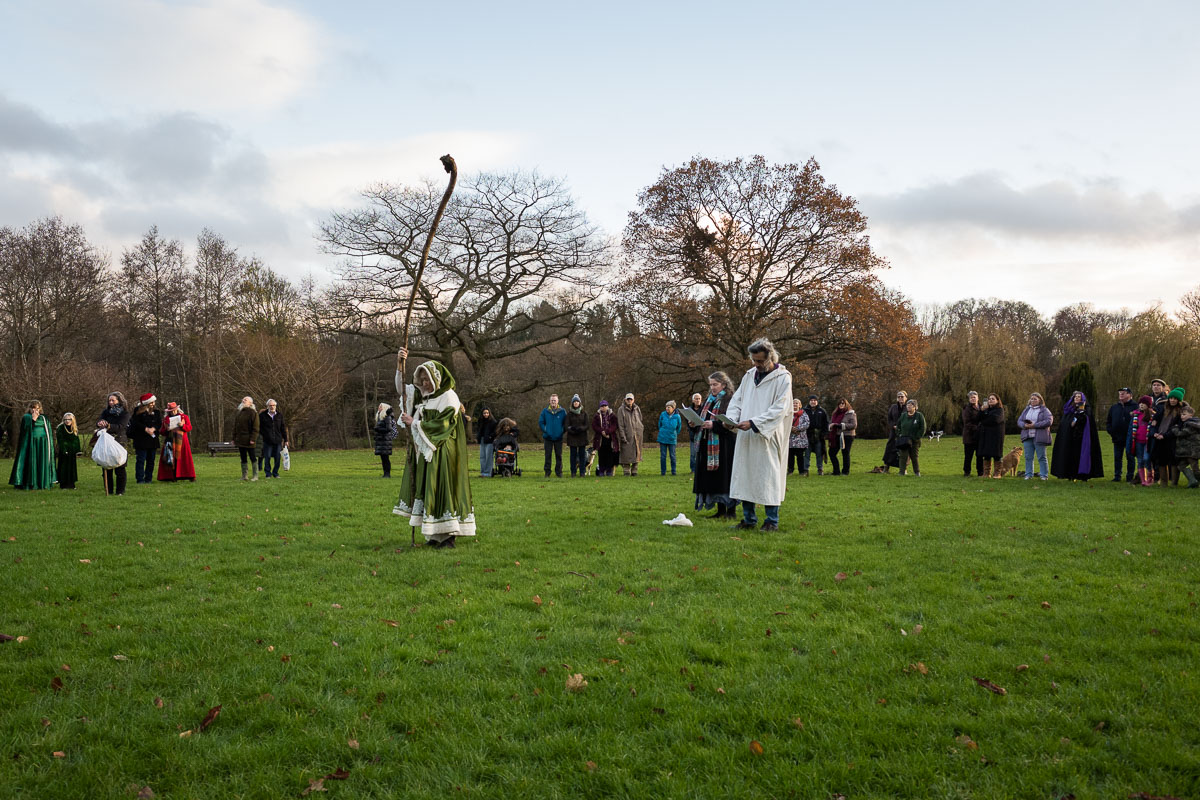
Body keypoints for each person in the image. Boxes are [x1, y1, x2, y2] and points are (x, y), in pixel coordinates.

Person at [392, 347, 475, 548]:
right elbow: (402, 390)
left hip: (443, 453)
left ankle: (447, 536)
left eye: (427, 379)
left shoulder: (448, 397)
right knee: (428, 489)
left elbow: (443, 425)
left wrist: (415, 423)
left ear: (437, 379)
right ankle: (433, 535)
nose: (424, 383)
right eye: (422, 379)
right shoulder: (424, 396)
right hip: (427, 452)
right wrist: (400, 364)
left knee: (442, 489)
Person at [726, 338, 792, 531]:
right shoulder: (749, 376)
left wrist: (755, 423)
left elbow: (781, 408)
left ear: (770, 357)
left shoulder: (783, 378)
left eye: (760, 361)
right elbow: (737, 400)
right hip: (745, 434)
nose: (757, 364)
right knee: (746, 475)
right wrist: (730, 419)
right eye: (754, 360)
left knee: (768, 476)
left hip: (767, 435)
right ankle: (748, 519)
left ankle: (772, 521)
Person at [694, 371, 738, 517]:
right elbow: (704, 417)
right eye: (711, 384)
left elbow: (732, 423)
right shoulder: (709, 400)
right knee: (715, 478)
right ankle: (720, 510)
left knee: (726, 477)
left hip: (725, 444)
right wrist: (695, 422)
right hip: (709, 444)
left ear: (724, 384)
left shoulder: (730, 400)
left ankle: (731, 510)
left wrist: (714, 425)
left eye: (715, 384)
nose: (712, 387)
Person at [1050, 391, 1104, 481]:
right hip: (1070, 438)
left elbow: (1086, 422)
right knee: (1070, 455)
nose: (1077, 398)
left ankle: (1083, 475)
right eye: (1075, 397)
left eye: (1079, 397)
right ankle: (1070, 474)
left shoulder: (1086, 410)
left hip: (1082, 438)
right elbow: (1066, 424)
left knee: (1081, 456)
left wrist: (1081, 414)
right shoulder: (1069, 409)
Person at [8, 400, 56, 490]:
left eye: (37, 408)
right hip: (31, 443)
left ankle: (42, 482)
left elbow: (48, 431)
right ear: (30, 408)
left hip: (43, 443)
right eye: (33, 408)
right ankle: (30, 482)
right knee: (32, 461)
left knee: (42, 461)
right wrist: (33, 419)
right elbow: (25, 431)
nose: (35, 410)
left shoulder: (44, 418)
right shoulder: (27, 417)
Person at [97, 391, 131, 495]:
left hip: (119, 442)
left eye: (113, 400)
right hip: (106, 442)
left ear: (119, 401)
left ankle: (120, 491)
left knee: (120, 468)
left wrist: (108, 426)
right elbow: (99, 420)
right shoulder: (105, 412)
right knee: (106, 467)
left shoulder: (125, 413)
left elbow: (121, 426)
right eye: (109, 400)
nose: (111, 402)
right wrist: (100, 423)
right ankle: (109, 490)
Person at [1153, 387, 1189, 486]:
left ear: (1178, 400)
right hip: (1159, 438)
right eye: (1171, 398)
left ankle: (1174, 482)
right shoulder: (1163, 409)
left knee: (1173, 460)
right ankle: (1164, 482)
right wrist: (1155, 433)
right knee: (1161, 460)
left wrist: (1165, 435)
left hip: (1172, 439)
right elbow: (1155, 421)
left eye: (1175, 398)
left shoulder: (1181, 412)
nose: (1172, 400)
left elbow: (1178, 427)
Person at [1017, 393, 1053, 480]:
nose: (1032, 400)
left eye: (1035, 399)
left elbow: (1049, 421)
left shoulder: (1044, 410)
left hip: (1039, 436)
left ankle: (1044, 475)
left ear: (1040, 400)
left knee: (1041, 456)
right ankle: (1029, 474)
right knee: (1028, 457)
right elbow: (1019, 421)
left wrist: (1035, 425)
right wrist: (1024, 425)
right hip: (1027, 436)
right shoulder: (1026, 409)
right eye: (1031, 399)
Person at [157, 402, 196, 482]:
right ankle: (171, 477)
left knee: (184, 458)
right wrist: (166, 430)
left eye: (174, 410)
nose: (172, 412)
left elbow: (189, 427)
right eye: (170, 411)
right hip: (170, 440)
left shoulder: (184, 417)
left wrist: (182, 426)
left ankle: (188, 475)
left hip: (182, 441)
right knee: (170, 458)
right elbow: (161, 431)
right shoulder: (166, 419)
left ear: (177, 409)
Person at [1105, 387, 1137, 483]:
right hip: (1117, 437)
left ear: (1130, 395)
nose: (1121, 395)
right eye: (1120, 393)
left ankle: (1130, 476)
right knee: (1117, 457)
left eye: (1124, 393)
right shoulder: (1114, 407)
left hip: (1130, 437)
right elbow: (1108, 421)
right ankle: (1117, 475)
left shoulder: (1135, 406)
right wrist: (1111, 431)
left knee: (1130, 457)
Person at [128, 393, 161, 484]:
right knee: (141, 460)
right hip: (141, 439)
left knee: (151, 460)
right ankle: (140, 479)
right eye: (151, 402)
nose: (153, 404)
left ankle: (148, 478)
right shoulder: (137, 411)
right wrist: (145, 429)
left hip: (152, 439)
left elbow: (159, 423)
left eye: (153, 402)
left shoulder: (157, 412)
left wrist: (153, 429)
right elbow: (135, 423)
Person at [1169, 404, 1200, 489]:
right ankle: (1193, 481)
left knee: (1194, 467)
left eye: (1184, 414)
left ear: (1190, 415)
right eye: (1181, 414)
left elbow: (1181, 434)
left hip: (1192, 450)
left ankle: (1195, 481)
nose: (1182, 416)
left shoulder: (1191, 425)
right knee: (1181, 466)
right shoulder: (1186, 423)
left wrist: (1174, 428)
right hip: (1186, 450)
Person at [1127, 395, 1154, 486]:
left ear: (1148, 405)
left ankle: (1150, 478)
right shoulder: (1135, 415)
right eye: (1140, 403)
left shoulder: (1152, 415)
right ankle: (1143, 480)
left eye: (1144, 403)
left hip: (1147, 441)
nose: (1141, 405)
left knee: (1146, 459)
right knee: (1140, 460)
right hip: (1137, 441)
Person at [977, 394, 1006, 478]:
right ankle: (986, 473)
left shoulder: (999, 410)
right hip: (986, 435)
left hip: (996, 435)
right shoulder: (986, 410)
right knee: (986, 453)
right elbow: (978, 419)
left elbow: (995, 420)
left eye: (993, 399)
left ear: (997, 400)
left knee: (997, 454)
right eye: (989, 399)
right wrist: (982, 411)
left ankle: (997, 473)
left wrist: (984, 420)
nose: (990, 400)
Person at [896, 398, 927, 476]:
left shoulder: (919, 415)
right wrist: (899, 434)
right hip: (904, 440)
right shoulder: (903, 416)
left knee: (914, 456)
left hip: (915, 441)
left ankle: (917, 472)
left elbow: (923, 428)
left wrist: (917, 437)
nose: (908, 407)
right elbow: (898, 426)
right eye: (907, 405)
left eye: (910, 405)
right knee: (903, 456)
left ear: (915, 407)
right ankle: (901, 472)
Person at [233, 396, 261, 482]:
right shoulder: (239, 413)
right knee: (243, 457)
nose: (243, 400)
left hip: (249, 440)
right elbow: (235, 427)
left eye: (246, 399)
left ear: (250, 403)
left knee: (252, 457)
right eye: (243, 399)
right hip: (240, 439)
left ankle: (255, 476)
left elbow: (256, 428)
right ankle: (244, 476)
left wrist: (253, 439)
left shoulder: (253, 413)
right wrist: (234, 438)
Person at [538, 394, 566, 478]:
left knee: (559, 456)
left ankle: (559, 472)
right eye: (552, 400)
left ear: (558, 401)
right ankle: (547, 472)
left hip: (558, 438)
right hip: (548, 438)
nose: (553, 402)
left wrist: (562, 431)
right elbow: (541, 422)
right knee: (548, 455)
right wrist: (545, 430)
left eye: (555, 400)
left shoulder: (562, 411)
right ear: (549, 401)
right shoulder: (545, 411)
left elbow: (566, 423)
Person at [259, 399, 288, 479]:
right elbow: (259, 428)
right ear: (267, 406)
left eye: (273, 405)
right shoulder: (262, 416)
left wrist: (286, 440)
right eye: (270, 405)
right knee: (267, 457)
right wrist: (264, 435)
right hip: (267, 441)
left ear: (276, 406)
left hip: (278, 440)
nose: (272, 407)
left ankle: (275, 473)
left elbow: (283, 428)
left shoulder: (279, 415)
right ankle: (268, 474)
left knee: (277, 457)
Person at [616, 393, 644, 476]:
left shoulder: (637, 408)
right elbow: (620, 425)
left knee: (637, 452)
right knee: (626, 453)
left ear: (633, 400)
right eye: (628, 399)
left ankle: (635, 470)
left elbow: (640, 419)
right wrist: (622, 436)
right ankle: (626, 470)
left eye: (631, 399)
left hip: (638, 434)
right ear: (625, 400)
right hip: (627, 434)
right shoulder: (621, 410)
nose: (629, 401)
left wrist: (641, 429)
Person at [827, 398, 857, 476]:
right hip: (836, 435)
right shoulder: (835, 413)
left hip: (847, 436)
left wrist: (840, 425)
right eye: (840, 403)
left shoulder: (851, 413)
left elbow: (854, 425)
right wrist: (830, 426)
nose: (841, 405)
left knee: (845, 453)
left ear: (846, 404)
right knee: (831, 453)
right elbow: (831, 422)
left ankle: (845, 472)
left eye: (843, 403)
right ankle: (836, 471)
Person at [880, 390, 908, 472]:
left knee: (902, 450)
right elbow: (889, 418)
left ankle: (903, 469)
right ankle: (886, 467)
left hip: (904, 432)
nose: (900, 398)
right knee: (890, 448)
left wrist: (902, 427)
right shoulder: (893, 407)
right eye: (898, 397)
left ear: (906, 398)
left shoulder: (908, 407)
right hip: (893, 431)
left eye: (902, 396)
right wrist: (893, 426)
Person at [565, 395, 591, 478]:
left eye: (577, 401)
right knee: (572, 456)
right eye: (574, 402)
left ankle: (582, 472)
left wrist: (580, 429)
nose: (576, 403)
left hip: (582, 437)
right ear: (572, 403)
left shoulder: (584, 413)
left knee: (582, 456)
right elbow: (566, 425)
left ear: (579, 403)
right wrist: (572, 430)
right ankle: (573, 472)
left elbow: (587, 425)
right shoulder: (569, 414)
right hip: (572, 437)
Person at [591, 401, 619, 476]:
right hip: (600, 438)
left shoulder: (612, 415)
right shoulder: (596, 416)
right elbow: (594, 426)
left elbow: (614, 426)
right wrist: (602, 431)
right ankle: (601, 470)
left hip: (610, 438)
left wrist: (607, 431)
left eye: (605, 406)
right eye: (602, 406)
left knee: (609, 454)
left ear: (607, 406)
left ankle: (609, 470)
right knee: (601, 454)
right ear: (600, 407)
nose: (603, 407)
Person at [55, 412, 81, 490]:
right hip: (64, 451)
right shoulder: (61, 428)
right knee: (63, 467)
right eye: (65, 419)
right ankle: (63, 484)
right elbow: (60, 440)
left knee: (71, 468)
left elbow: (76, 440)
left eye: (69, 419)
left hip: (72, 451)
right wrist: (64, 449)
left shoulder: (74, 428)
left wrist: (77, 450)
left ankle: (71, 484)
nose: (67, 421)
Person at [803, 395, 828, 476]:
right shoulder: (804, 410)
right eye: (811, 400)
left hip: (819, 436)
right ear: (809, 401)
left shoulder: (822, 411)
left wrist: (824, 434)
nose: (813, 402)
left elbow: (826, 423)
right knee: (807, 454)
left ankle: (820, 469)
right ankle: (806, 470)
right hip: (807, 435)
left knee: (819, 453)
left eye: (815, 400)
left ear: (817, 401)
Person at [373, 403, 399, 477]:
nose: (379, 407)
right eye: (379, 406)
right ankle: (385, 473)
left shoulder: (387, 417)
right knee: (383, 458)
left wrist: (378, 429)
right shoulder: (380, 417)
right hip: (381, 440)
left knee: (385, 458)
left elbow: (389, 429)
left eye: (381, 406)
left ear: (384, 408)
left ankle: (387, 474)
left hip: (385, 440)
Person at [961, 391, 983, 477]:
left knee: (980, 455)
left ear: (978, 398)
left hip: (980, 436)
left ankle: (980, 472)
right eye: (971, 397)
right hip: (969, 436)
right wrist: (978, 428)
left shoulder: (982, 407)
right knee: (968, 455)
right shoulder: (967, 408)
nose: (973, 399)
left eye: (974, 397)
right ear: (969, 399)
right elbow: (967, 422)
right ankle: (967, 472)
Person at [657, 400, 682, 476]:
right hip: (663, 438)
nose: (667, 408)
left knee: (672, 455)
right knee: (663, 456)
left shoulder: (677, 416)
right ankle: (663, 472)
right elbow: (659, 424)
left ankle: (673, 471)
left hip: (672, 438)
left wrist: (674, 434)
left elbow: (679, 427)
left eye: (669, 407)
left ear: (673, 408)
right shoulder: (663, 414)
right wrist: (662, 431)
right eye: (666, 407)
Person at [787, 398, 809, 475]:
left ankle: (801, 471)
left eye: (797, 403)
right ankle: (790, 470)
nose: (795, 404)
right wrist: (791, 428)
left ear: (800, 405)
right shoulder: (788, 413)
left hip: (800, 439)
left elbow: (807, 424)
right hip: (790, 439)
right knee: (790, 456)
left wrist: (797, 428)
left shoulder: (804, 414)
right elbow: (784, 423)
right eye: (793, 403)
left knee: (800, 456)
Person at [475, 407, 498, 478]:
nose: (486, 414)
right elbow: (479, 430)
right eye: (484, 413)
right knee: (482, 457)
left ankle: (488, 473)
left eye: (487, 413)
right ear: (482, 414)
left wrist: (490, 437)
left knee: (488, 457)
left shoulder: (493, 422)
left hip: (489, 441)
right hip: (482, 440)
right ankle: (483, 472)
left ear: (489, 413)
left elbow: (495, 432)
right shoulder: (480, 421)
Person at [685, 392, 705, 473]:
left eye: (699, 399)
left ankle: (700, 469)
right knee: (693, 454)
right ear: (693, 400)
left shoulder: (704, 409)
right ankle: (693, 469)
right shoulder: (689, 410)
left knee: (701, 453)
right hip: (693, 434)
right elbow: (687, 422)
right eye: (696, 399)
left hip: (702, 434)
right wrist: (691, 425)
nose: (697, 400)